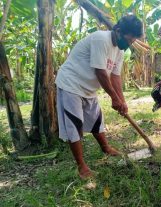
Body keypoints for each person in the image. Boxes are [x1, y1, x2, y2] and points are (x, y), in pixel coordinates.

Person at [55, 15, 143, 179]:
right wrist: (113, 98)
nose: (130, 44)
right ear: (118, 31)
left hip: (89, 88)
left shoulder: (120, 50)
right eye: (129, 40)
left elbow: (115, 77)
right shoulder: (100, 39)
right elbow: (101, 73)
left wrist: (121, 100)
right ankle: (82, 166)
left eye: (133, 41)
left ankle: (105, 148)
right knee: (75, 125)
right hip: (71, 84)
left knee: (96, 120)